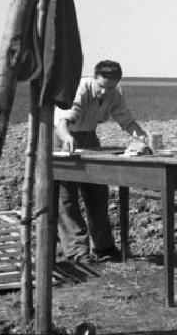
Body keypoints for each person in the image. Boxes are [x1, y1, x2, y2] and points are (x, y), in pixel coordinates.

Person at [54, 59, 148, 263]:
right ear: (94, 79)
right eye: (102, 86)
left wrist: (142, 137)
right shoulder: (81, 89)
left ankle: (104, 247)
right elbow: (62, 122)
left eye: (110, 87)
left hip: (89, 137)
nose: (105, 92)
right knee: (66, 198)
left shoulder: (115, 93)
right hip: (63, 137)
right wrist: (67, 137)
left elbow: (127, 121)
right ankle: (77, 251)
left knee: (97, 193)